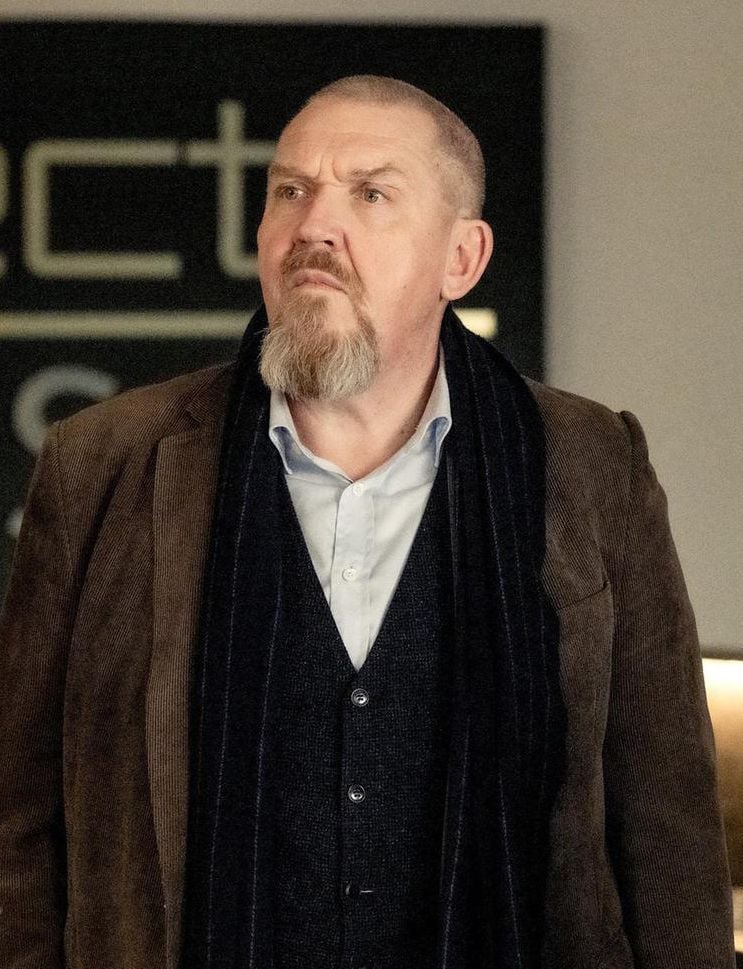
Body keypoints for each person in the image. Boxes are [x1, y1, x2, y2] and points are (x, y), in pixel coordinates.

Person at [0, 75, 734, 969]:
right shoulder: (101, 461)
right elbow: (18, 819)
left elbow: (666, 820)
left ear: (460, 259)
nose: (314, 224)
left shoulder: (590, 461)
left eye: (371, 194)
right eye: (290, 190)